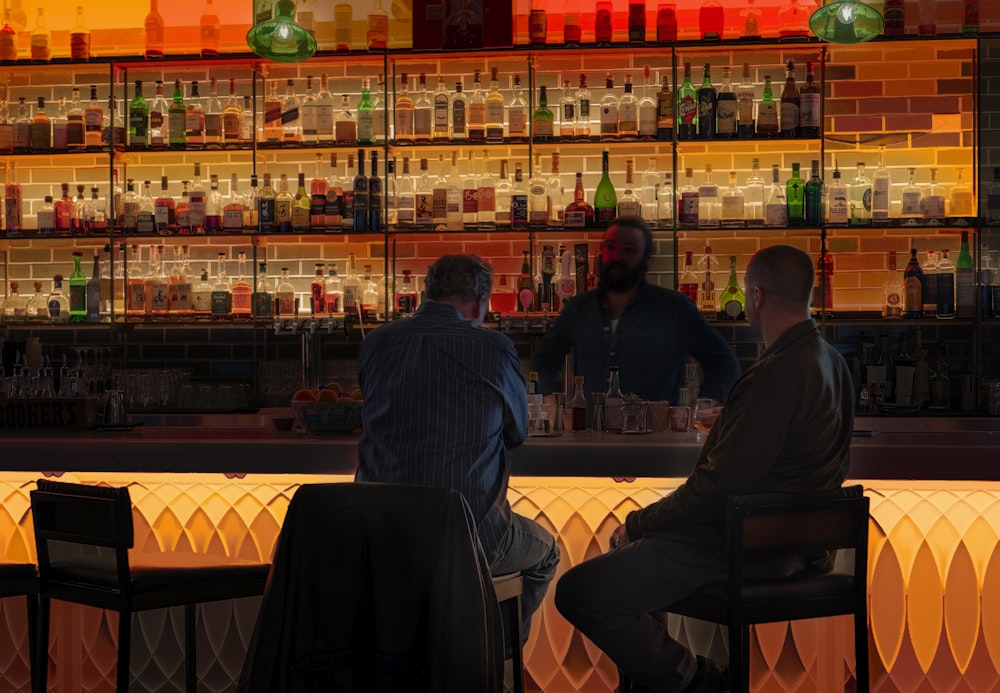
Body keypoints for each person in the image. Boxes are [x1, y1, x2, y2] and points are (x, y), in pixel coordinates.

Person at [554, 245, 855, 692]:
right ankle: (673, 684)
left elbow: (720, 488)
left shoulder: (774, 375)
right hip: (799, 550)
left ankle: (696, 682)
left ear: (756, 296)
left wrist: (639, 521)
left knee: (580, 590)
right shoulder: (834, 362)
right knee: (639, 558)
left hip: (744, 550)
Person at [356, 253, 560, 636]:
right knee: (546, 553)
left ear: (424, 293)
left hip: (378, 541)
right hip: (470, 542)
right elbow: (517, 432)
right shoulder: (494, 348)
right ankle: (491, 666)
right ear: (481, 302)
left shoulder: (376, 342)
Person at [532, 216, 740, 423]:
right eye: (610, 247)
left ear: (646, 257)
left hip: (655, 441)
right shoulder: (578, 308)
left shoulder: (674, 308)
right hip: (590, 439)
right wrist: (552, 403)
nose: (616, 256)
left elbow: (724, 362)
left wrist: (705, 402)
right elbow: (544, 362)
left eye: (628, 249)